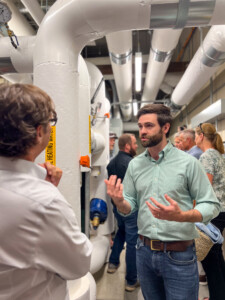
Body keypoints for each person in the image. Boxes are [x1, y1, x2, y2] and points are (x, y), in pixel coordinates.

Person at [105, 104, 220, 300]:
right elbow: (130, 204)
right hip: (144, 253)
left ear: (165, 128)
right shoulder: (135, 165)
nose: (142, 131)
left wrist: (182, 216)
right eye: (140, 126)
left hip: (180, 256)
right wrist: (119, 202)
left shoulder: (188, 163)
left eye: (149, 126)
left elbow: (211, 204)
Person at [0, 83, 93, 300]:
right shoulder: (44, 203)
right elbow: (79, 264)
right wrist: (49, 193)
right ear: (39, 133)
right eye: (51, 122)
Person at [195, 122, 225, 300]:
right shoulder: (221, 155)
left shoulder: (207, 156)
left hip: (213, 212)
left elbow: (205, 188)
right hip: (223, 211)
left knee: (208, 257)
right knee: (216, 253)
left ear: (200, 136)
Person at [107, 133, 139, 292]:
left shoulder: (111, 163)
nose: (137, 146)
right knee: (133, 244)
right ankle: (131, 280)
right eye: (134, 143)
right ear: (127, 146)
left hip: (117, 207)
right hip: (130, 209)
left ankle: (113, 263)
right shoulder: (133, 164)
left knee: (121, 232)